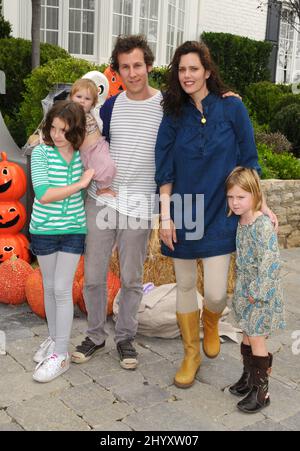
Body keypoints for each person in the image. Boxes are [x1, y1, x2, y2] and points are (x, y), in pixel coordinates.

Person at [155, 41, 277, 389]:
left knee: (216, 295)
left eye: (194, 68)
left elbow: (250, 159)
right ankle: (190, 353)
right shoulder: (173, 115)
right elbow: (163, 170)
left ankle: (211, 320)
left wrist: (260, 202)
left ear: (207, 71)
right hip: (183, 210)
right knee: (184, 285)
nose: (187, 75)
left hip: (221, 210)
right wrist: (165, 215)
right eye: (181, 69)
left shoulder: (232, 108)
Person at [71, 35, 163, 370]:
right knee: (93, 276)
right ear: (117, 71)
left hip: (139, 204)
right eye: (125, 67)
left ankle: (125, 338)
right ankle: (95, 334)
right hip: (102, 200)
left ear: (148, 65)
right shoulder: (109, 106)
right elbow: (90, 144)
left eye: (138, 65)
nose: (132, 72)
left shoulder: (167, 106)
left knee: (131, 279)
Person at [30, 100, 94, 383]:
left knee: (61, 288)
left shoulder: (85, 155)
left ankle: (60, 353)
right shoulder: (41, 153)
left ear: (76, 131)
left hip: (73, 229)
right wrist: (80, 185)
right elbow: (43, 193)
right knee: (48, 286)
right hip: (43, 229)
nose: (57, 135)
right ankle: (54, 338)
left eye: (64, 130)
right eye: (53, 128)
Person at [226, 167, 285, 413]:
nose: (235, 202)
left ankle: (262, 391)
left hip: (261, 293)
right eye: (231, 197)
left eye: (241, 197)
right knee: (247, 336)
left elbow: (270, 263)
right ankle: (249, 378)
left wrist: (256, 292)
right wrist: (242, 292)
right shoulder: (241, 222)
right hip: (246, 291)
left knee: (257, 339)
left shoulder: (262, 225)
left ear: (255, 196)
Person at [70, 78, 117, 197]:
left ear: (93, 103)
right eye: (78, 96)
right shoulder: (71, 116)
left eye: (87, 99)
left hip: (99, 145)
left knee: (108, 166)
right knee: (106, 167)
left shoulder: (90, 113)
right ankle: (103, 188)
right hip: (90, 150)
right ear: (71, 97)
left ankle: (102, 185)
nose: (82, 101)